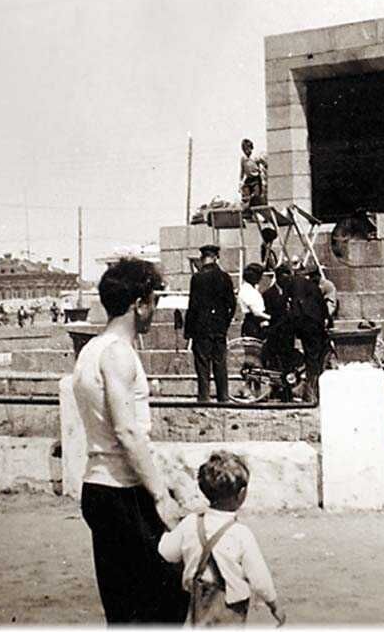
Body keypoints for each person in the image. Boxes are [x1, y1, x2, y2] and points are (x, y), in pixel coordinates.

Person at [72, 258, 187, 625]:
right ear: (139, 303)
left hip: (98, 487)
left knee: (123, 609)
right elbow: (127, 432)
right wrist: (160, 496)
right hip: (124, 491)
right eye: (153, 301)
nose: (154, 312)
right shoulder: (119, 354)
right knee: (166, 600)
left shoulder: (90, 350)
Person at [158, 451, 285, 627]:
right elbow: (259, 577)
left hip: (198, 604)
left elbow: (167, 553)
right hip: (230, 609)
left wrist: (168, 529)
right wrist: (274, 604)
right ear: (241, 494)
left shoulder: (190, 523)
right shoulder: (241, 534)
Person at [185, 245, 237, 403]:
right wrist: (225, 323)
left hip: (201, 327)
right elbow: (232, 304)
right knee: (220, 362)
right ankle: (223, 396)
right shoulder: (225, 277)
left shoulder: (197, 278)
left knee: (202, 363)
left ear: (203, 258)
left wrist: (189, 330)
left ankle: (204, 397)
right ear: (216, 257)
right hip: (219, 327)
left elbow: (192, 306)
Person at [285, 267, 331, 402]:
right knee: (313, 359)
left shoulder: (292, 284)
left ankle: (305, 390)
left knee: (307, 355)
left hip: (298, 325)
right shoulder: (313, 287)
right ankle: (311, 393)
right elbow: (323, 309)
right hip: (312, 326)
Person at [236, 264, 269, 339]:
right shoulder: (246, 290)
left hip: (258, 322)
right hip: (252, 323)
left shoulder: (252, 289)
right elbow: (255, 312)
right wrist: (271, 318)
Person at [238, 140, 268, 213]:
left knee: (256, 196)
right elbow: (242, 171)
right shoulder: (243, 159)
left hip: (256, 179)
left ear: (251, 148)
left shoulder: (255, 157)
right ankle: (247, 212)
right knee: (246, 197)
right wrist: (240, 182)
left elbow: (264, 163)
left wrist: (265, 170)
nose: (247, 151)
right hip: (248, 179)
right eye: (245, 150)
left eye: (248, 149)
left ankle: (258, 211)